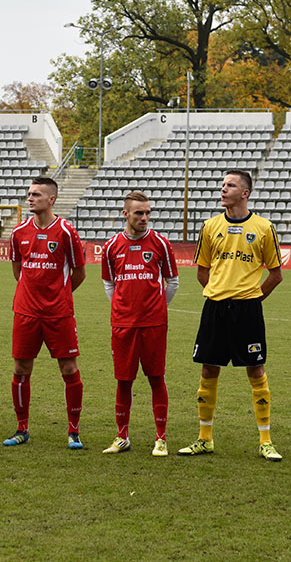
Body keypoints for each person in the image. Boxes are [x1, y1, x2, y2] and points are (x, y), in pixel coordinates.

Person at [178, 170, 284, 461]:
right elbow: (202, 271)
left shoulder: (264, 228)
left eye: (230, 185)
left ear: (245, 193)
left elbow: (276, 274)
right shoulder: (210, 226)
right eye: (223, 185)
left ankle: (265, 441)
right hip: (215, 307)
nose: (223, 189)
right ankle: (204, 438)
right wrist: (219, 291)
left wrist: (253, 297)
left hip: (248, 309)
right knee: (208, 369)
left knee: (256, 369)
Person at [4, 177, 86, 449]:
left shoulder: (65, 231)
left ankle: (73, 430)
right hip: (26, 312)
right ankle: (21, 428)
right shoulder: (19, 232)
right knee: (21, 368)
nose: (30, 198)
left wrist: (58, 295)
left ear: (51, 199)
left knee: (69, 368)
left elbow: (79, 272)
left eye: (36, 194)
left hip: (58, 314)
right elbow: (17, 269)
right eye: (29, 193)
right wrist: (30, 294)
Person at [101, 191, 178, 456]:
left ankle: (161, 438)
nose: (145, 218)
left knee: (156, 378)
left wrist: (156, 308)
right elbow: (109, 283)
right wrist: (123, 309)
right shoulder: (112, 246)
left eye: (147, 213)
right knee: (124, 380)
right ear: (126, 214)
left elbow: (173, 281)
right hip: (123, 324)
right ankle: (122, 436)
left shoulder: (161, 243)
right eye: (139, 213)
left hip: (154, 324)